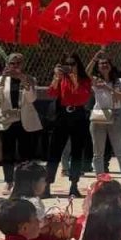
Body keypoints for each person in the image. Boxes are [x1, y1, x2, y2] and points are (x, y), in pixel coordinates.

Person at [43, 53, 92, 198]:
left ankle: (74, 185)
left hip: (78, 116)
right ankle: (47, 185)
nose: (70, 67)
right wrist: (56, 78)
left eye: (73, 64)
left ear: (78, 65)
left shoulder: (84, 80)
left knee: (77, 152)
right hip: (62, 115)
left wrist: (75, 80)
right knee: (54, 151)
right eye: (67, 64)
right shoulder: (62, 78)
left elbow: (83, 96)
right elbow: (51, 93)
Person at [0, 54, 41, 193]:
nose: (15, 66)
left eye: (18, 63)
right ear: (8, 64)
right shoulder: (1, 79)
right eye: (12, 63)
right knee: (7, 153)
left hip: (24, 121)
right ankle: (8, 181)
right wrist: (1, 81)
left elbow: (31, 99)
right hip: (7, 120)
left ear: (23, 65)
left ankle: (25, 182)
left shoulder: (30, 79)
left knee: (26, 154)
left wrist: (24, 81)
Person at [88, 52, 121, 190]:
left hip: (114, 114)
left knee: (120, 150)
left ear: (110, 66)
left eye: (106, 63)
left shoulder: (119, 81)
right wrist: (94, 58)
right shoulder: (95, 80)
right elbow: (85, 74)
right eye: (101, 64)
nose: (104, 65)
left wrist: (108, 88)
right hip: (100, 114)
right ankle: (100, 180)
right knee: (98, 152)